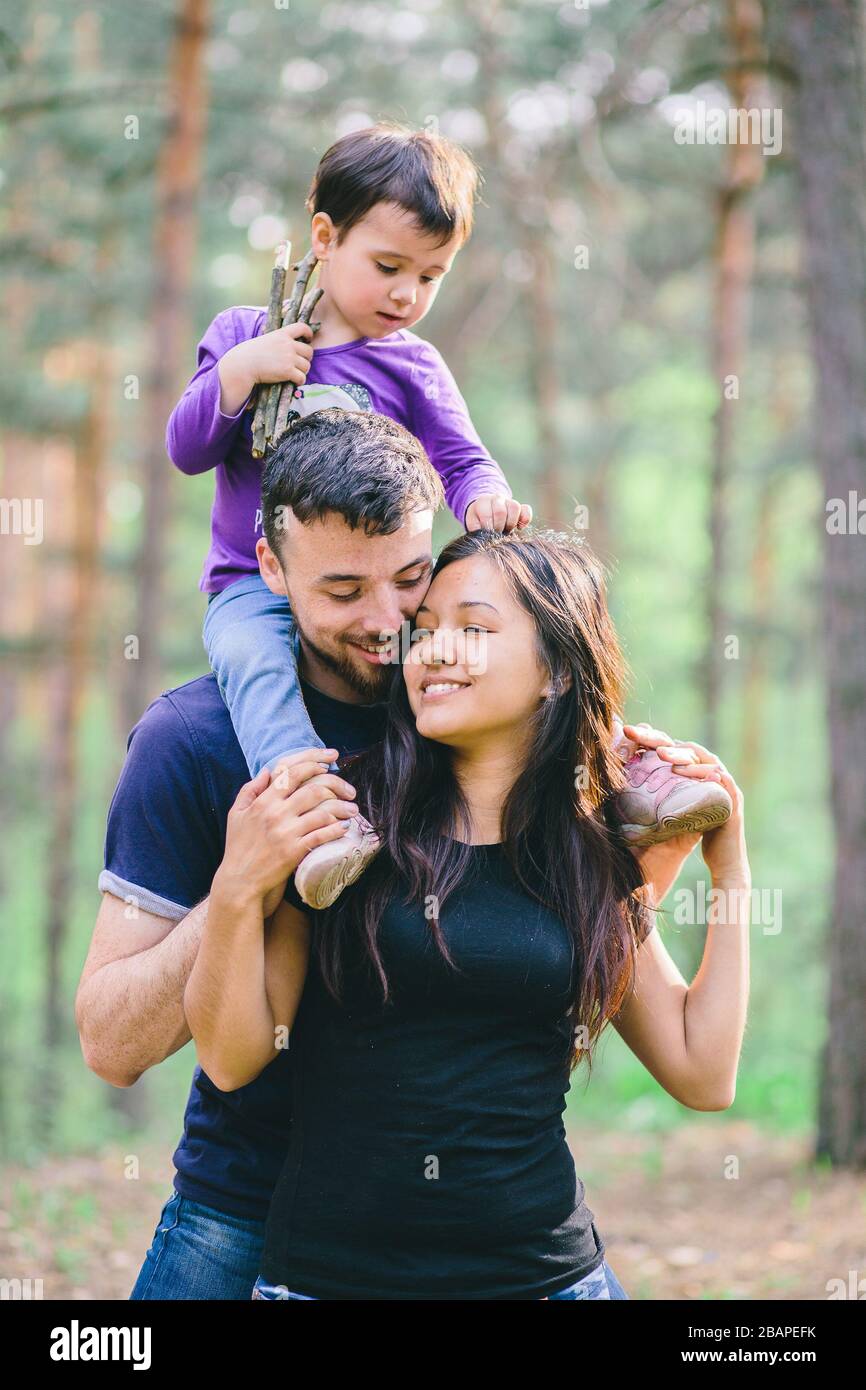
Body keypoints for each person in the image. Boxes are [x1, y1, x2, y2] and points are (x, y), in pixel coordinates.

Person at [80, 409, 703, 1300]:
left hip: (473, 1240)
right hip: (242, 1206)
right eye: (341, 591)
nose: (388, 624)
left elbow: (541, 956)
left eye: (408, 578)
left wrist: (655, 821)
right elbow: (110, 1042)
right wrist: (244, 887)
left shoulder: (467, 708)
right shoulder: (195, 742)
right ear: (269, 569)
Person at [166, 120, 730, 910]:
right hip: (250, 586)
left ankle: (620, 779)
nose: (407, 295)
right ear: (324, 237)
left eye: (431, 277)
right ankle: (322, 826)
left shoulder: (413, 363)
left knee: (507, 649)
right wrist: (237, 375)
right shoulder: (247, 333)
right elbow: (187, 449)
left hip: (384, 589)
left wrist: (485, 499)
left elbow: (462, 459)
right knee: (256, 669)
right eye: (389, 267)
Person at [186, 524, 750, 1302]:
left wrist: (731, 861)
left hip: (547, 1283)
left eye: (474, 629)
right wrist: (236, 888)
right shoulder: (342, 821)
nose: (435, 651)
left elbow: (702, 1069)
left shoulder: (587, 853)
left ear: (556, 670)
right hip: (330, 1282)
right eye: (424, 633)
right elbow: (229, 1055)